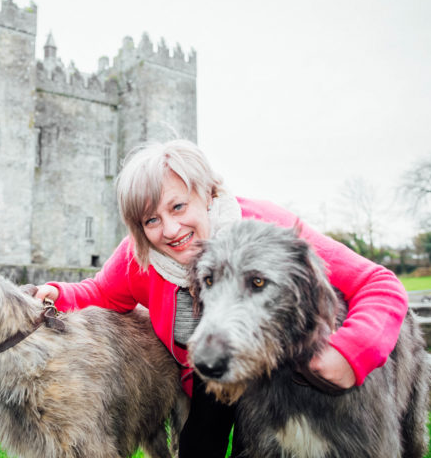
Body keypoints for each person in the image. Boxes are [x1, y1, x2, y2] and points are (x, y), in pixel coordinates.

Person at [33, 139, 408, 456]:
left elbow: (379, 284)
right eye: (151, 220)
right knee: (198, 444)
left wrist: (349, 353)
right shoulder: (141, 256)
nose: (170, 230)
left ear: (209, 194)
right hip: (207, 372)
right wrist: (57, 293)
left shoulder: (269, 230)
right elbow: (101, 292)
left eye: (178, 206)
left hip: (275, 375)